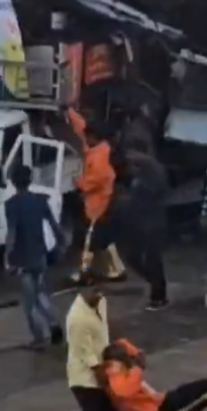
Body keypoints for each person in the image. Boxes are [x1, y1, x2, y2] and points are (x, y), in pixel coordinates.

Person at [101, 338, 207, 411]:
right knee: (204, 395)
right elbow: (125, 389)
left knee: (201, 386)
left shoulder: (115, 365)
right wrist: (137, 367)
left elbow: (122, 343)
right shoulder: (117, 383)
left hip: (161, 402)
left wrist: (135, 353)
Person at [67, 276, 127, 411]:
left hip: (105, 371)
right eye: (94, 290)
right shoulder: (77, 319)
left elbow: (107, 332)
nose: (99, 294)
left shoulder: (100, 301)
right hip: (85, 380)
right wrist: (112, 391)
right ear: (81, 290)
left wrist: (125, 351)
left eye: (100, 289)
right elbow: (91, 363)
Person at [4, 163, 66, 349]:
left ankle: (39, 338)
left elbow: (12, 233)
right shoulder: (40, 201)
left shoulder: (11, 205)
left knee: (29, 304)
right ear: (30, 181)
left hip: (23, 260)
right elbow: (54, 225)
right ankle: (54, 324)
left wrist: (7, 257)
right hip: (40, 256)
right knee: (41, 294)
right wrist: (61, 243)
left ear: (14, 182)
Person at [69, 108, 127, 283]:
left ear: (94, 138)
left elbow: (99, 178)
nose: (84, 140)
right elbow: (81, 128)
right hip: (100, 204)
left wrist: (79, 183)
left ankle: (84, 273)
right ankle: (116, 270)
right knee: (105, 240)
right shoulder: (97, 147)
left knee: (88, 240)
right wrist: (69, 112)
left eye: (88, 137)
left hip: (98, 205)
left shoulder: (100, 156)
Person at [124, 139, 170, 310]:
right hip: (141, 224)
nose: (128, 157)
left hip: (153, 224)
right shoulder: (141, 171)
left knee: (152, 260)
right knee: (135, 258)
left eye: (131, 153)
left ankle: (158, 295)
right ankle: (156, 286)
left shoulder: (151, 171)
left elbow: (156, 192)